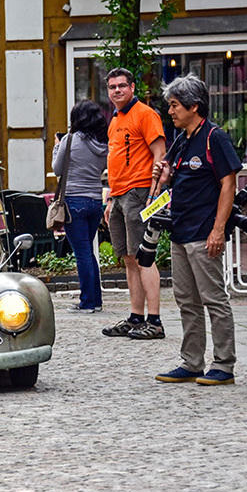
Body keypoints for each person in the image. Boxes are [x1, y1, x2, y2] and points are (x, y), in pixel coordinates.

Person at [150, 75, 242, 386]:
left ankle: (224, 364)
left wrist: (218, 230)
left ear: (194, 106)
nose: (171, 112)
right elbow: (176, 181)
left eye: (175, 106)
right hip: (180, 231)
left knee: (214, 299)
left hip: (204, 233)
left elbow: (228, 184)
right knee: (186, 300)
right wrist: (164, 176)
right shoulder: (182, 140)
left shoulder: (214, 137)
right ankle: (191, 362)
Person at [101, 67, 167, 340]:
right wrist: (110, 197)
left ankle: (155, 320)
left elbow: (159, 155)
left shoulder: (145, 114)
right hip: (118, 195)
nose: (117, 90)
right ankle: (135, 316)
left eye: (121, 86)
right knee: (129, 259)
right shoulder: (115, 120)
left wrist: (154, 193)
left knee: (144, 257)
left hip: (140, 192)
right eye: (112, 87)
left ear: (132, 88)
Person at [52, 100, 109, 312]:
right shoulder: (102, 144)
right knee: (88, 252)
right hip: (95, 201)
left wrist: (56, 147)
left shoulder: (70, 140)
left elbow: (57, 169)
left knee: (82, 253)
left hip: (74, 201)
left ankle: (87, 302)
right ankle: (96, 300)